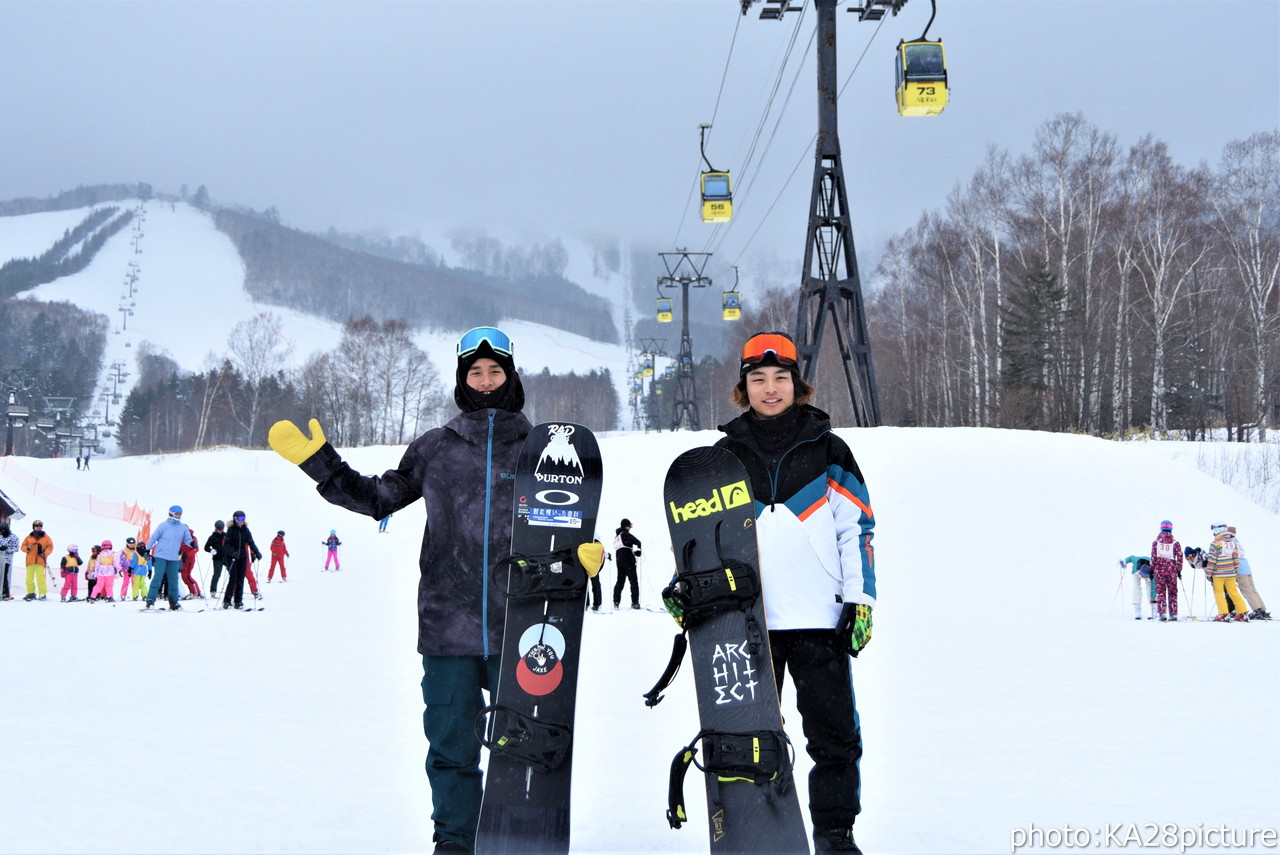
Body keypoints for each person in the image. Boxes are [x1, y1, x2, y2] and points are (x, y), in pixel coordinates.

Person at [267, 325, 533, 854]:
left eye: (494, 371)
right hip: (447, 628)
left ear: (510, 376)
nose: (485, 381)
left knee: (523, 750)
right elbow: (378, 498)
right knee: (451, 749)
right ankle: (455, 843)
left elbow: (564, 522)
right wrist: (322, 464)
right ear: (463, 381)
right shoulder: (435, 447)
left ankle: (516, 837)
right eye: (475, 372)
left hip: (521, 626)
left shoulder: (541, 446)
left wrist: (580, 561)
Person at [711, 331, 875, 855]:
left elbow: (857, 529)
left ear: (796, 383)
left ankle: (834, 833)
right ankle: (757, 830)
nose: (770, 388)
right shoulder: (725, 453)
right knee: (749, 739)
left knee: (834, 740)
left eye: (780, 378)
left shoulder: (829, 448)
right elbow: (703, 536)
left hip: (818, 622)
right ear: (744, 388)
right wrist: (692, 597)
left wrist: (861, 600)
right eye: (758, 379)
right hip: (748, 625)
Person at [145, 505, 196, 610]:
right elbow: (154, 537)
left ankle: (174, 602)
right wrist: (147, 549)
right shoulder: (163, 526)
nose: (179, 516)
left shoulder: (182, 527)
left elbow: (187, 539)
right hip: (161, 555)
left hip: (173, 557)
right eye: (177, 514)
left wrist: (191, 543)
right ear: (171, 513)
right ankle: (150, 600)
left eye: (180, 514)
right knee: (158, 577)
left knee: (173, 580)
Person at [1206, 522, 1249, 622]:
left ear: (1217, 530)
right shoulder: (1232, 543)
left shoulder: (1215, 543)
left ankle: (1224, 614)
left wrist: (1209, 573)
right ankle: (1243, 613)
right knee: (1234, 593)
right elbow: (1236, 559)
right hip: (1231, 573)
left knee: (1219, 593)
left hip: (1218, 574)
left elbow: (1212, 559)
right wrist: (1235, 570)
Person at [219, 510, 262, 609]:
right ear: (235, 519)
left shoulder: (245, 530)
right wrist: (232, 552)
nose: (242, 520)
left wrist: (257, 552)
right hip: (232, 557)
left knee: (240, 579)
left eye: (243, 518)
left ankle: (238, 602)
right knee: (233, 578)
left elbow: (251, 542)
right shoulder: (231, 530)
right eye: (240, 519)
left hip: (242, 557)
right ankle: (227, 601)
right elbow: (226, 544)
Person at [1228, 526, 1271, 621]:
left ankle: (1257, 610)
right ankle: (1262, 609)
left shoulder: (1230, 543)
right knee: (1252, 589)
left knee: (1246, 590)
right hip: (1246, 566)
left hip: (1240, 568)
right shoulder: (1236, 541)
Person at [1150, 520, 1182, 622]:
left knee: (1161, 592)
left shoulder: (1156, 543)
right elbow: (1180, 556)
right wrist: (1178, 570)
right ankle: (1173, 614)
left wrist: (1152, 569)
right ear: (1171, 529)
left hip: (1159, 571)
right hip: (1171, 571)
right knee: (1173, 592)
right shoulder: (1175, 543)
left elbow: (1153, 557)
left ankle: (1162, 613)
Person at [611, 518, 642, 610]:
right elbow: (638, 542)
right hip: (629, 562)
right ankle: (635, 603)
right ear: (626, 526)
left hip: (619, 562)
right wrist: (638, 551)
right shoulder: (627, 535)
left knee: (620, 582)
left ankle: (616, 602)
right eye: (629, 526)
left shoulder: (617, 537)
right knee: (633, 582)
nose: (630, 528)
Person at [20, 519, 54, 601]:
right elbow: (22, 547)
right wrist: (28, 547)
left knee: (40, 578)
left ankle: (42, 593)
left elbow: (50, 547)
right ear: (33, 527)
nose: (38, 527)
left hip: (40, 561)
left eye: (40, 526)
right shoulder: (28, 537)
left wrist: (45, 553)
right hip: (30, 561)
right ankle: (31, 593)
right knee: (29, 578)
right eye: (36, 526)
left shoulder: (46, 537)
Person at [1119, 554, 1156, 620]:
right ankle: (1137, 611)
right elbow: (1131, 557)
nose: (1144, 578)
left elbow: (1154, 587)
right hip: (1136, 571)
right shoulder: (1136, 560)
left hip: (1147, 571)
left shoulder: (1152, 571)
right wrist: (1124, 561)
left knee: (1149, 588)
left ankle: (1154, 612)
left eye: (1146, 578)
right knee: (1136, 588)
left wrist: (1153, 597)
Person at [204, 521, 228, 596]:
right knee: (217, 574)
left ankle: (234, 589)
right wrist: (211, 550)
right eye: (219, 529)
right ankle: (213, 590)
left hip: (226, 557)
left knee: (233, 573)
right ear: (216, 528)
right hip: (217, 558)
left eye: (222, 529)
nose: (220, 530)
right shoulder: (212, 537)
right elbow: (206, 547)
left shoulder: (226, 535)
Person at [179, 527, 202, 599]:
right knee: (185, 576)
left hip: (189, 560)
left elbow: (196, 549)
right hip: (184, 560)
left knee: (187, 576)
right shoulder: (181, 537)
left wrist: (187, 555)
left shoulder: (192, 538)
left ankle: (195, 592)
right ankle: (195, 592)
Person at [0, 521, 19, 600]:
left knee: (4, 576)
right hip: (0, 558)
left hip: (7, 560)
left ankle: (6, 593)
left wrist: (7, 549)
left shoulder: (14, 537)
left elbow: (16, 548)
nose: (2, 533)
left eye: (3, 531)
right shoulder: (1, 537)